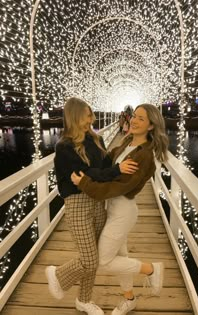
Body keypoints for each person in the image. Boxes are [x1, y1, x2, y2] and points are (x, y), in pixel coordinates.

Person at [71, 103, 169, 315]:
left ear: (151, 126)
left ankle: (151, 269)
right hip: (112, 208)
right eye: (134, 116)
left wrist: (85, 184)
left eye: (141, 119)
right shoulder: (126, 142)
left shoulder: (144, 156)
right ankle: (129, 299)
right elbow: (106, 165)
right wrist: (87, 137)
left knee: (104, 261)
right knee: (121, 257)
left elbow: (119, 186)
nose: (134, 120)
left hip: (123, 210)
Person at [45, 97, 138, 315]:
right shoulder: (64, 147)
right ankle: (57, 274)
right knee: (90, 259)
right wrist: (117, 170)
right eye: (88, 115)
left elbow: (104, 166)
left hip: (97, 200)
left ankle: (84, 300)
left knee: (94, 256)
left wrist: (124, 150)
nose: (92, 119)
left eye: (92, 114)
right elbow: (87, 174)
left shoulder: (95, 139)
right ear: (75, 116)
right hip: (77, 203)